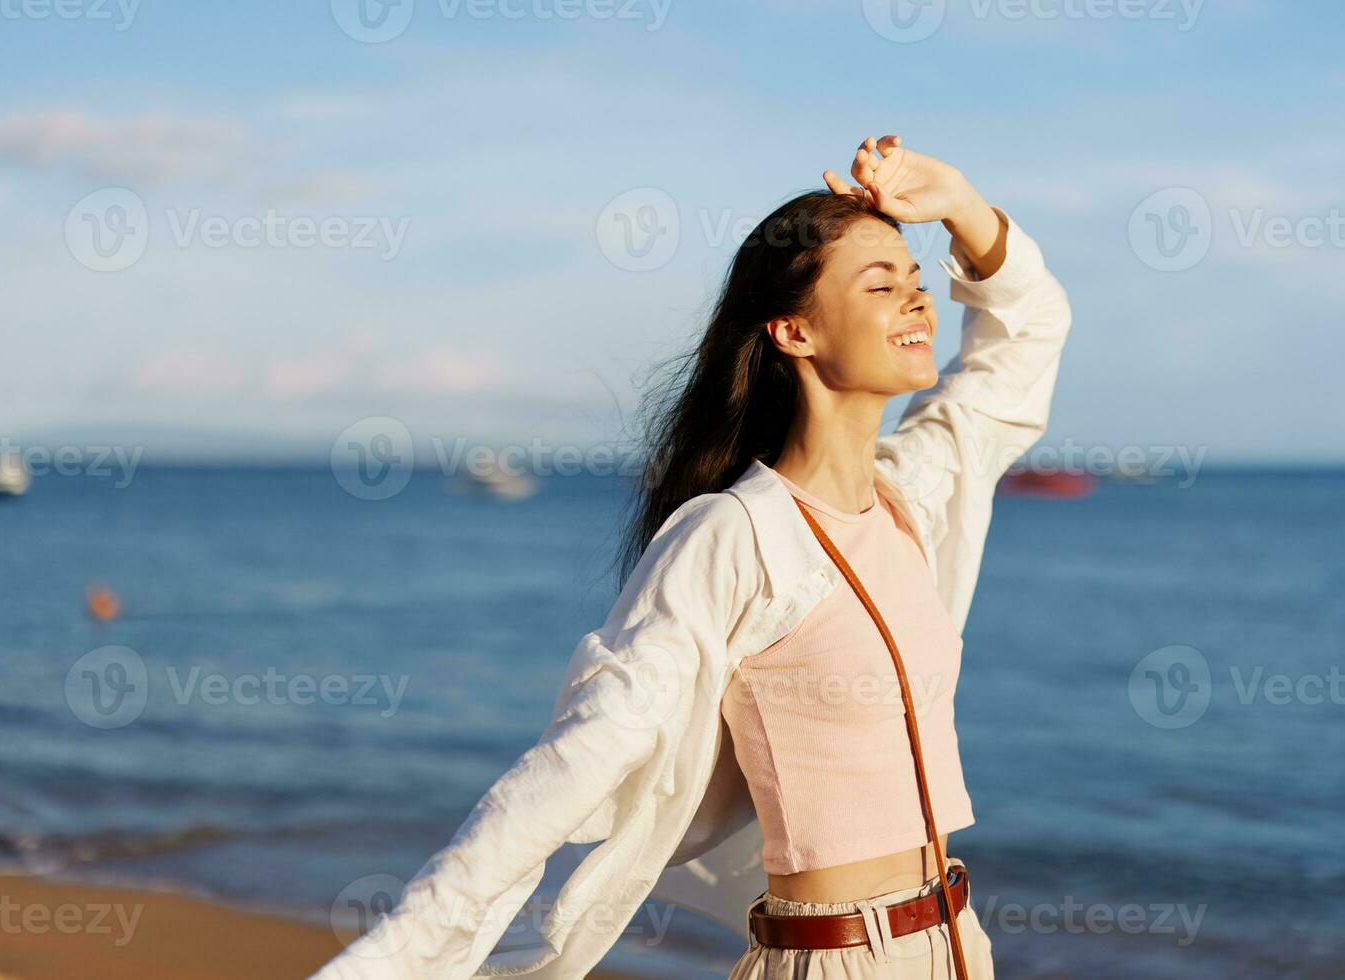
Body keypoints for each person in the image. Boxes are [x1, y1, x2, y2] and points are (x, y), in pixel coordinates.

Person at [311, 135, 1072, 979]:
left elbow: (1023, 342)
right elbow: (582, 754)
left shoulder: (910, 499)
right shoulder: (733, 535)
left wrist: (960, 202)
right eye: (882, 286)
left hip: (958, 948)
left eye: (918, 284)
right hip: (835, 961)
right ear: (793, 330)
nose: (917, 305)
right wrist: (390, 960)